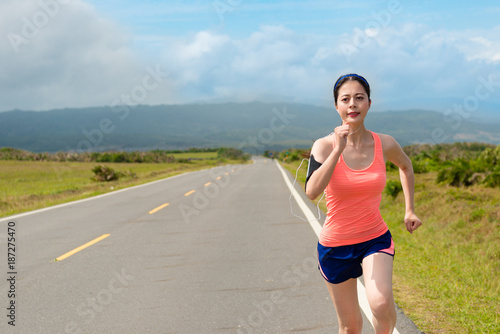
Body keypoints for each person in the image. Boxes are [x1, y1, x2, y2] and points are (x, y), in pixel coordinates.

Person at [305, 73, 422, 334]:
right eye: (345, 99)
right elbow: (312, 191)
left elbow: (406, 166)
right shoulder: (323, 146)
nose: (353, 105)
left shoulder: (385, 143)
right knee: (350, 326)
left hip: (374, 237)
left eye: (359, 98)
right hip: (336, 246)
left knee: (380, 304)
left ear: (369, 103)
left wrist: (409, 209)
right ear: (337, 106)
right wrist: (338, 150)